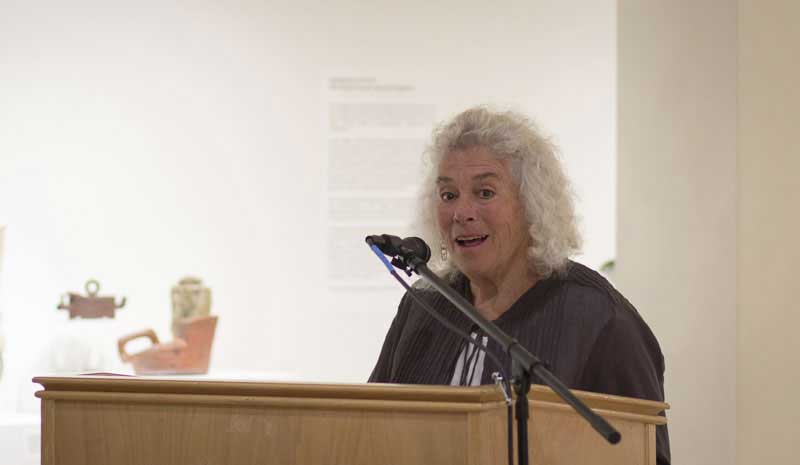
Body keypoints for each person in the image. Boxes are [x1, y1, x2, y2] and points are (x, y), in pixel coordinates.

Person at [368, 107, 670, 464]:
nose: (461, 213)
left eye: (484, 193)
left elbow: (642, 454)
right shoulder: (423, 306)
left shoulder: (600, 318)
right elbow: (370, 431)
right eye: (448, 195)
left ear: (531, 205)